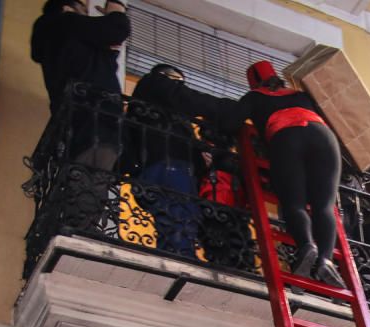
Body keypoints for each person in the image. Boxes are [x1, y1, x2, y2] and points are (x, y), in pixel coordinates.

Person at [222, 61, 344, 287]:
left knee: (294, 203)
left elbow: (231, 122)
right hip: (324, 137)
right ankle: (326, 260)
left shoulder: (254, 98)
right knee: (324, 206)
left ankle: (307, 245)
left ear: (252, 83)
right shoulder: (302, 95)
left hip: (286, 137)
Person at [127, 63, 227, 256]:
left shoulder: (158, 111)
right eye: (177, 81)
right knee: (180, 214)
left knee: (176, 216)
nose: (180, 86)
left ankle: (176, 256)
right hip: (168, 164)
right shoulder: (154, 83)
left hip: (159, 166)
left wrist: (200, 157)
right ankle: (180, 260)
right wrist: (225, 109)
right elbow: (185, 99)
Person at [31, 0, 130, 168]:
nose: (86, 16)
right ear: (67, 8)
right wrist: (116, 9)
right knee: (91, 181)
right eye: (83, 11)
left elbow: (100, 60)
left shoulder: (60, 39)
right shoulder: (66, 22)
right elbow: (116, 31)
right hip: (95, 117)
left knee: (85, 179)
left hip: (79, 120)